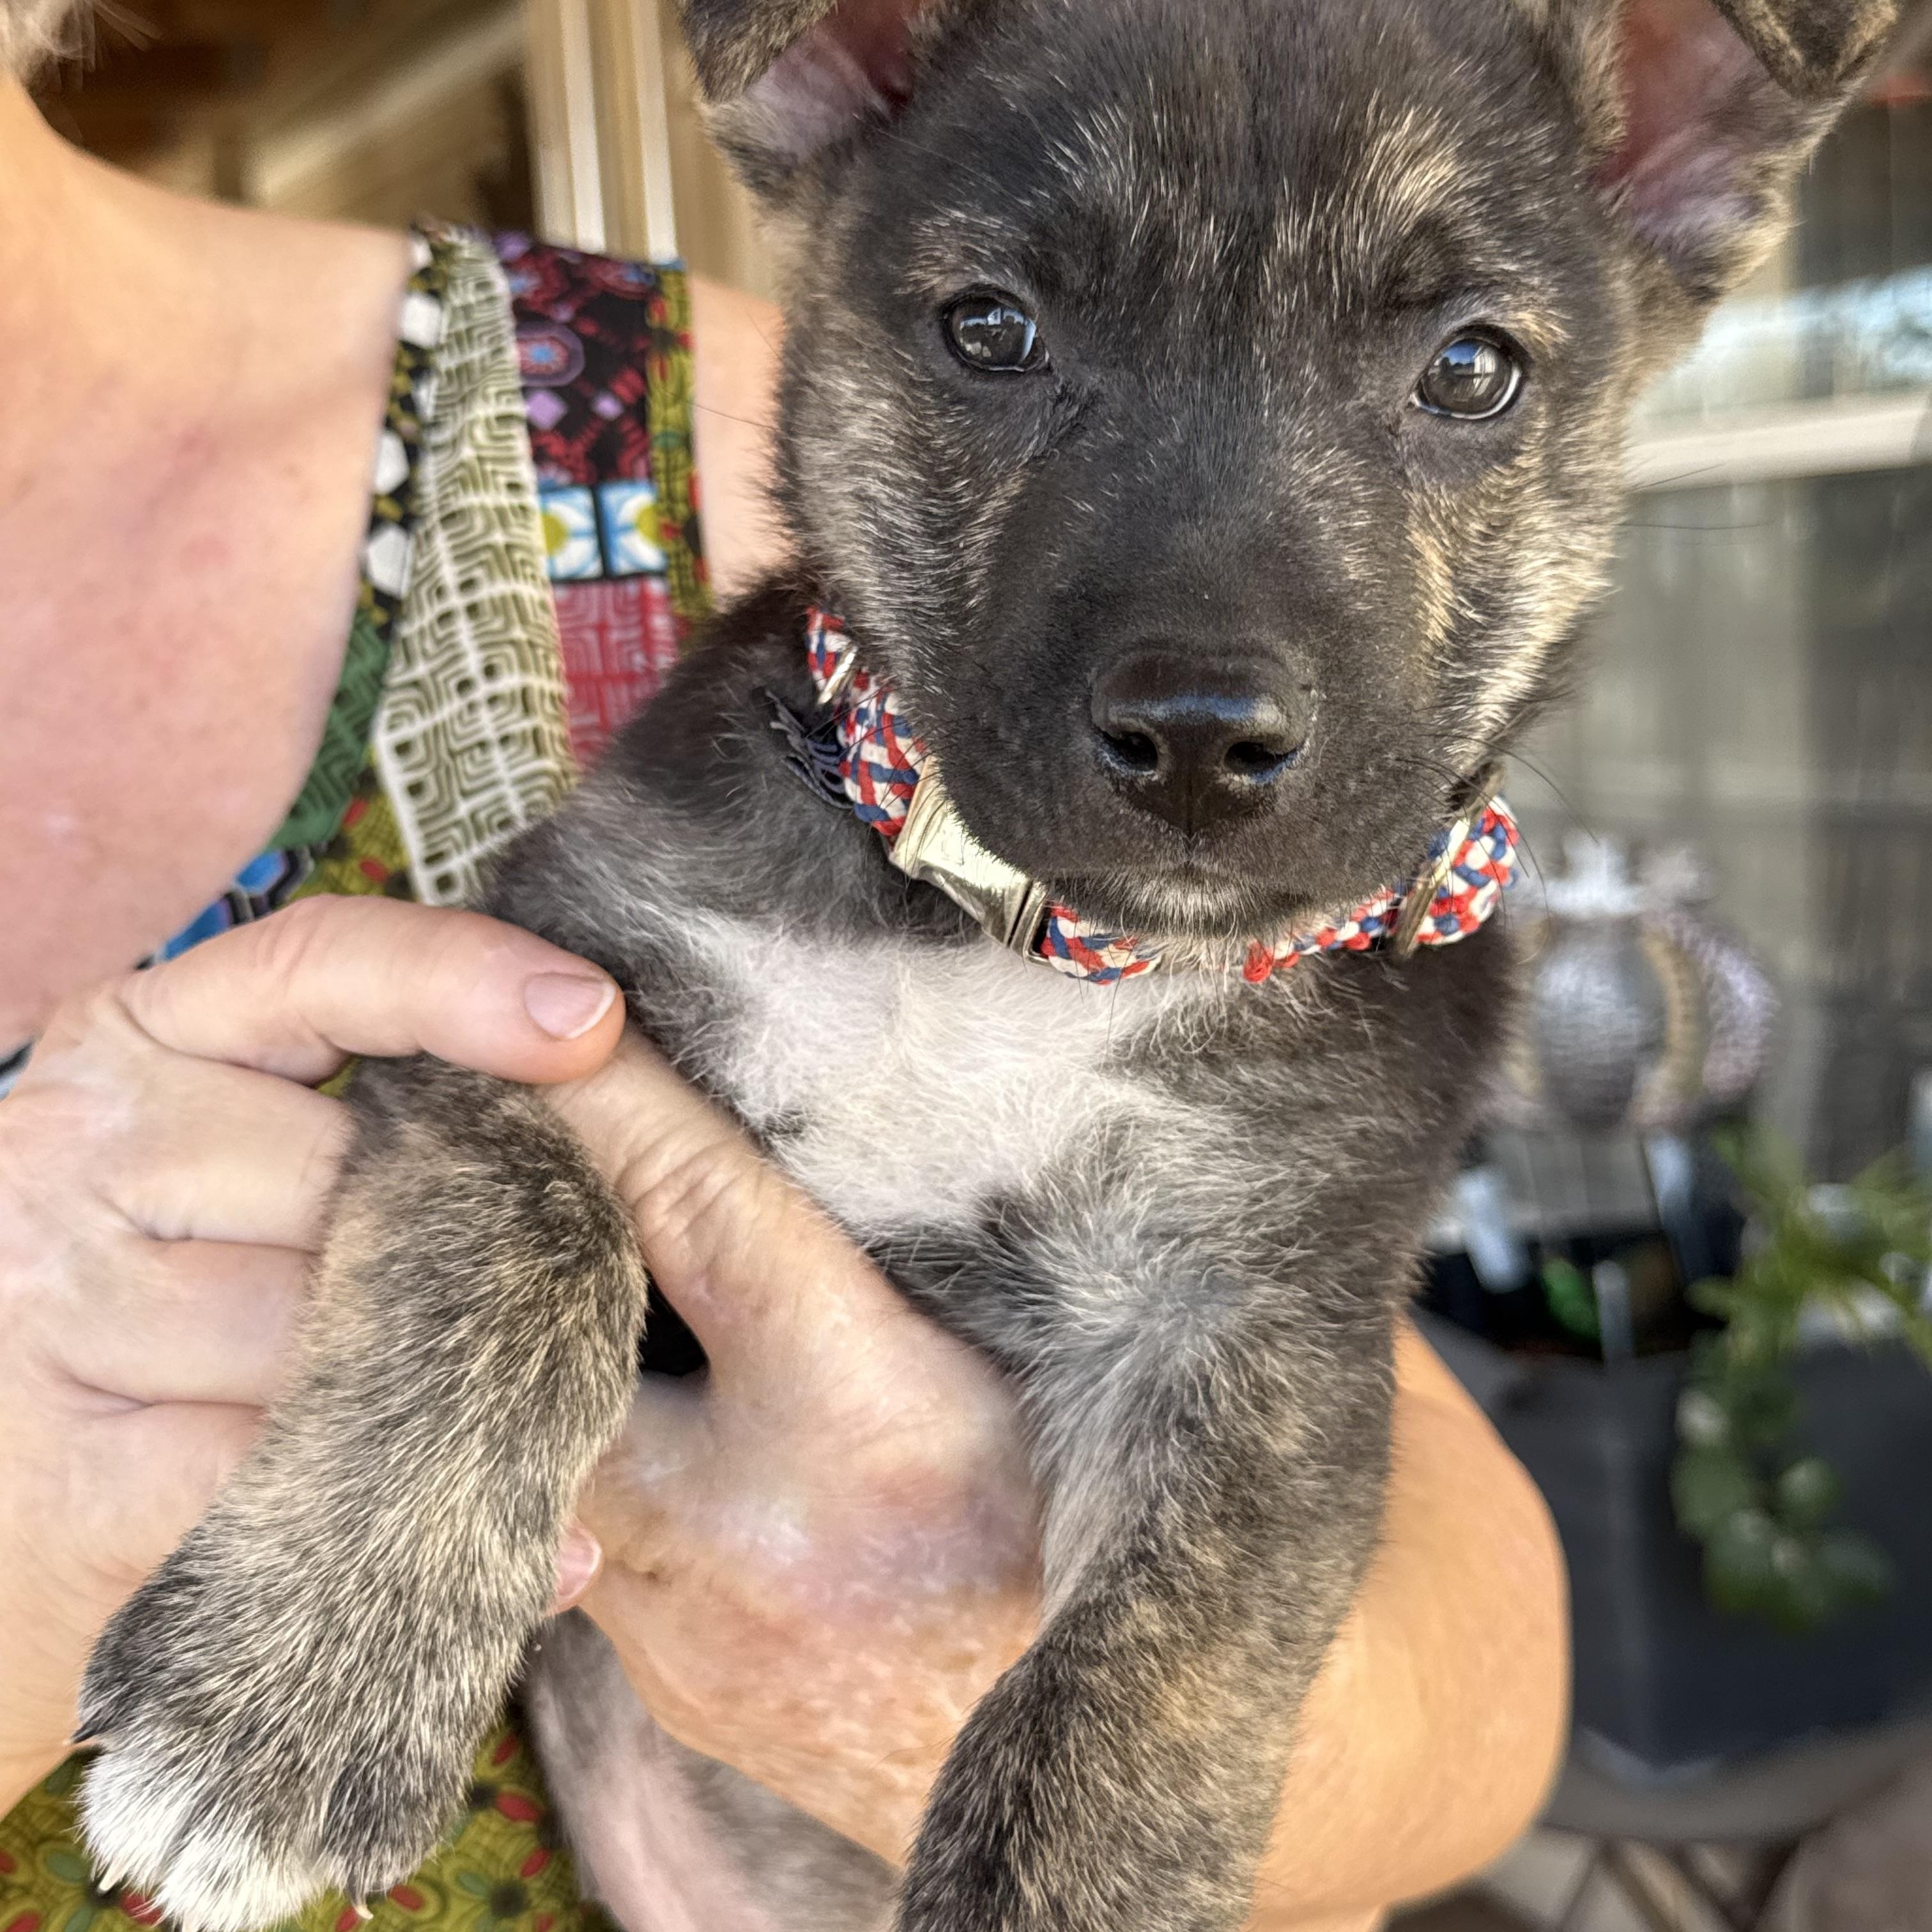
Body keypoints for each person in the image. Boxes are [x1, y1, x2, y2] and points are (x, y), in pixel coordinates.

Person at [0, 6, 1568, 1928]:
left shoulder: (631, 419)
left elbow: (1451, 1649)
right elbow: (501, 1113)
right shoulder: (733, 780)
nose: (1212, 667)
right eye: (997, 336)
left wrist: (940, 1725)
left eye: (1464, 368)